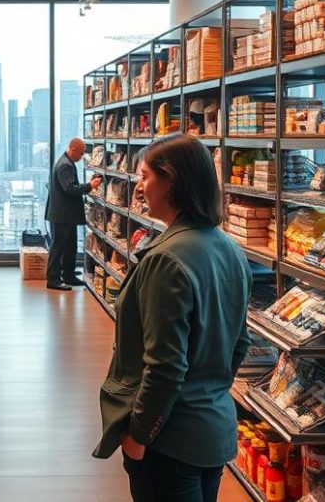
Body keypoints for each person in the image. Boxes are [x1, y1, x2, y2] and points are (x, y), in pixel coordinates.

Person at [93, 134, 250, 502]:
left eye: (145, 176)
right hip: (212, 430)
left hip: (169, 441)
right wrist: (208, 389)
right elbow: (240, 342)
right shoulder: (228, 248)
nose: (139, 187)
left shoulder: (167, 259)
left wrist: (139, 436)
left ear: (171, 181)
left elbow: (164, 367)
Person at [44, 137, 102, 291]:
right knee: (59, 247)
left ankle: (68, 275)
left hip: (65, 214)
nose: (81, 157)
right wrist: (89, 185)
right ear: (73, 150)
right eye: (81, 153)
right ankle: (53, 279)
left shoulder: (66, 162)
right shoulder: (65, 166)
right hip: (61, 214)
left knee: (70, 245)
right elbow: (69, 189)